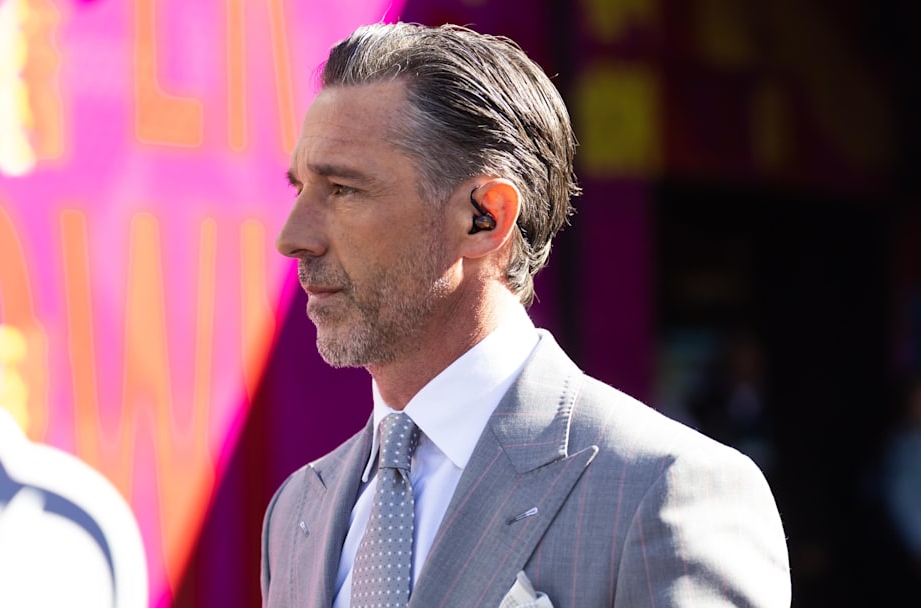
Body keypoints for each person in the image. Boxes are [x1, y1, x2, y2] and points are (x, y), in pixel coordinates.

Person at [261, 22, 790, 608]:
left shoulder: (663, 488)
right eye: (299, 189)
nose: (293, 238)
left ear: (485, 217)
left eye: (343, 189)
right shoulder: (298, 510)